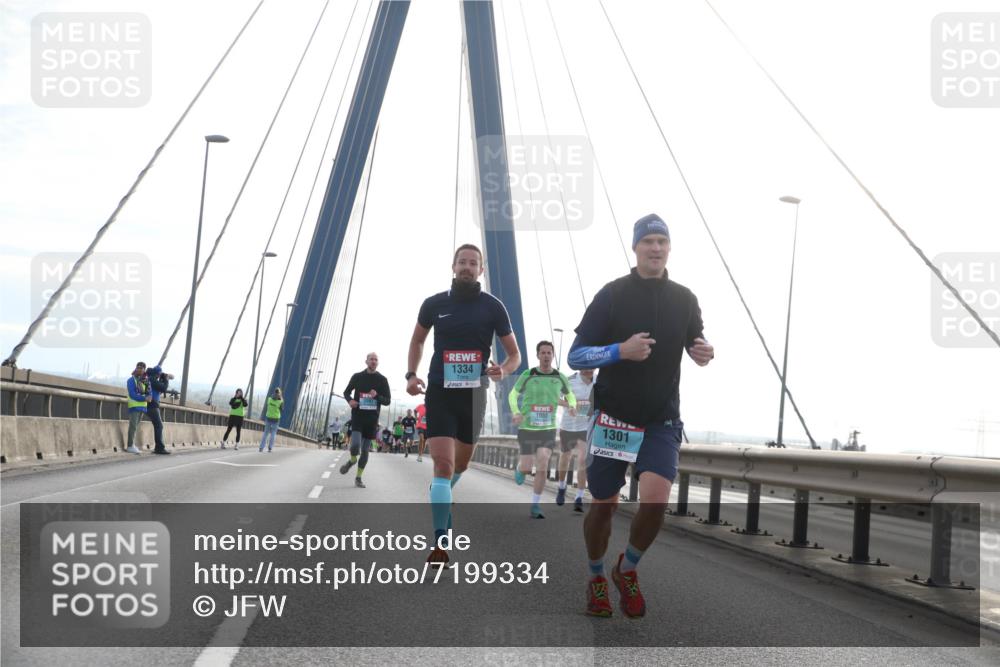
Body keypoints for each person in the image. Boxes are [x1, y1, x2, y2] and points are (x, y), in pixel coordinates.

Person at [568, 213, 714, 618]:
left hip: (661, 420)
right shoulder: (612, 295)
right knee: (604, 506)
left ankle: (626, 568)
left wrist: (704, 351)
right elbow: (576, 355)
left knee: (655, 503)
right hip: (613, 418)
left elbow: (697, 341)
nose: (655, 248)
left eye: (661, 242)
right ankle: (597, 577)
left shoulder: (685, 298)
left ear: (669, 248)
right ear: (635, 248)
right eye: (648, 241)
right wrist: (620, 350)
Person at [407, 243, 521, 567]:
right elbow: (417, 340)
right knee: (443, 465)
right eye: (462, 262)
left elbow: (514, 354)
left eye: (473, 263)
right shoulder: (434, 304)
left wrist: (504, 370)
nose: (467, 267)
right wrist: (411, 374)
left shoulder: (494, 307)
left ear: (481, 270)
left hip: (474, 395)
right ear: (453, 267)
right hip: (440, 392)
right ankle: (440, 542)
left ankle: (440, 491)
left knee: (461, 466)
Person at [508, 341, 576, 518]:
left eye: (549, 353)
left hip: (548, 428)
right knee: (526, 467)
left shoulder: (560, 377)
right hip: (527, 428)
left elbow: (570, 395)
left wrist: (572, 405)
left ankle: (535, 505)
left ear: (553, 355)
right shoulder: (528, 374)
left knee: (543, 461)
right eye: (543, 353)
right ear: (538, 355)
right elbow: (513, 394)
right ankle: (520, 468)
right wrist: (516, 412)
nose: (546, 356)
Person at [339, 352, 391, 488]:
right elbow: (346, 392)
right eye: (371, 359)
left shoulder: (382, 379)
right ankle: (352, 460)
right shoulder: (357, 376)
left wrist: (377, 396)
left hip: (372, 419)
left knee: (366, 451)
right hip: (358, 416)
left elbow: (387, 401)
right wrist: (350, 401)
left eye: (376, 360)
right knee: (355, 445)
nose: (373, 361)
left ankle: (358, 478)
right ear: (366, 361)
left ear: (377, 363)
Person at [556, 368, 596, 512]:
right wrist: (570, 404)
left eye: (592, 367)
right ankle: (561, 486)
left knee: (583, 460)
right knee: (565, 457)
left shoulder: (598, 381)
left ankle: (579, 497)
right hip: (568, 426)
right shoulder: (569, 380)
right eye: (586, 367)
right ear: (580, 367)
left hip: (586, 426)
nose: (590, 370)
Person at [145, 365, 173, 455]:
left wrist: (163, 379)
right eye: (160, 373)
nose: (160, 375)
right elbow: (163, 388)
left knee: (158, 426)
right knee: (159, 426)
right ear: (157, 373)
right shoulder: (152, 380)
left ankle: (159, 447)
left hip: (151, 405)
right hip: (152, 405)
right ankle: (159, 448)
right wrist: (166, 379)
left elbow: (159, 389)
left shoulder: (151, 379)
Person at [125, 362, 151, 455]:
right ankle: (130, 446)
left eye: (141, 368)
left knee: (135, 427)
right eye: (138, 367)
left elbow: (149, 392)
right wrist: (145, 398)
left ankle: (132, 445)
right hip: (134, 406)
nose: (139, 369)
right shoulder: (131, 380)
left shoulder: (146, 380)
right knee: (133, 426)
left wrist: (149, 397)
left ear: (144, 370)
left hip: (142, 407)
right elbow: (132, 394)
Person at [258, 388, 283, 452]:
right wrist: (281, 399)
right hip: (276, 419)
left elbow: (267, 406)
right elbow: (282, 409)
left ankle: (261, 447)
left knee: (266, 433)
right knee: (273, 433)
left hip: (268, 417)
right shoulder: (280, 402)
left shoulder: (269, 399)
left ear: (274, 392)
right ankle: (270, 448)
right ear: (279, 394)